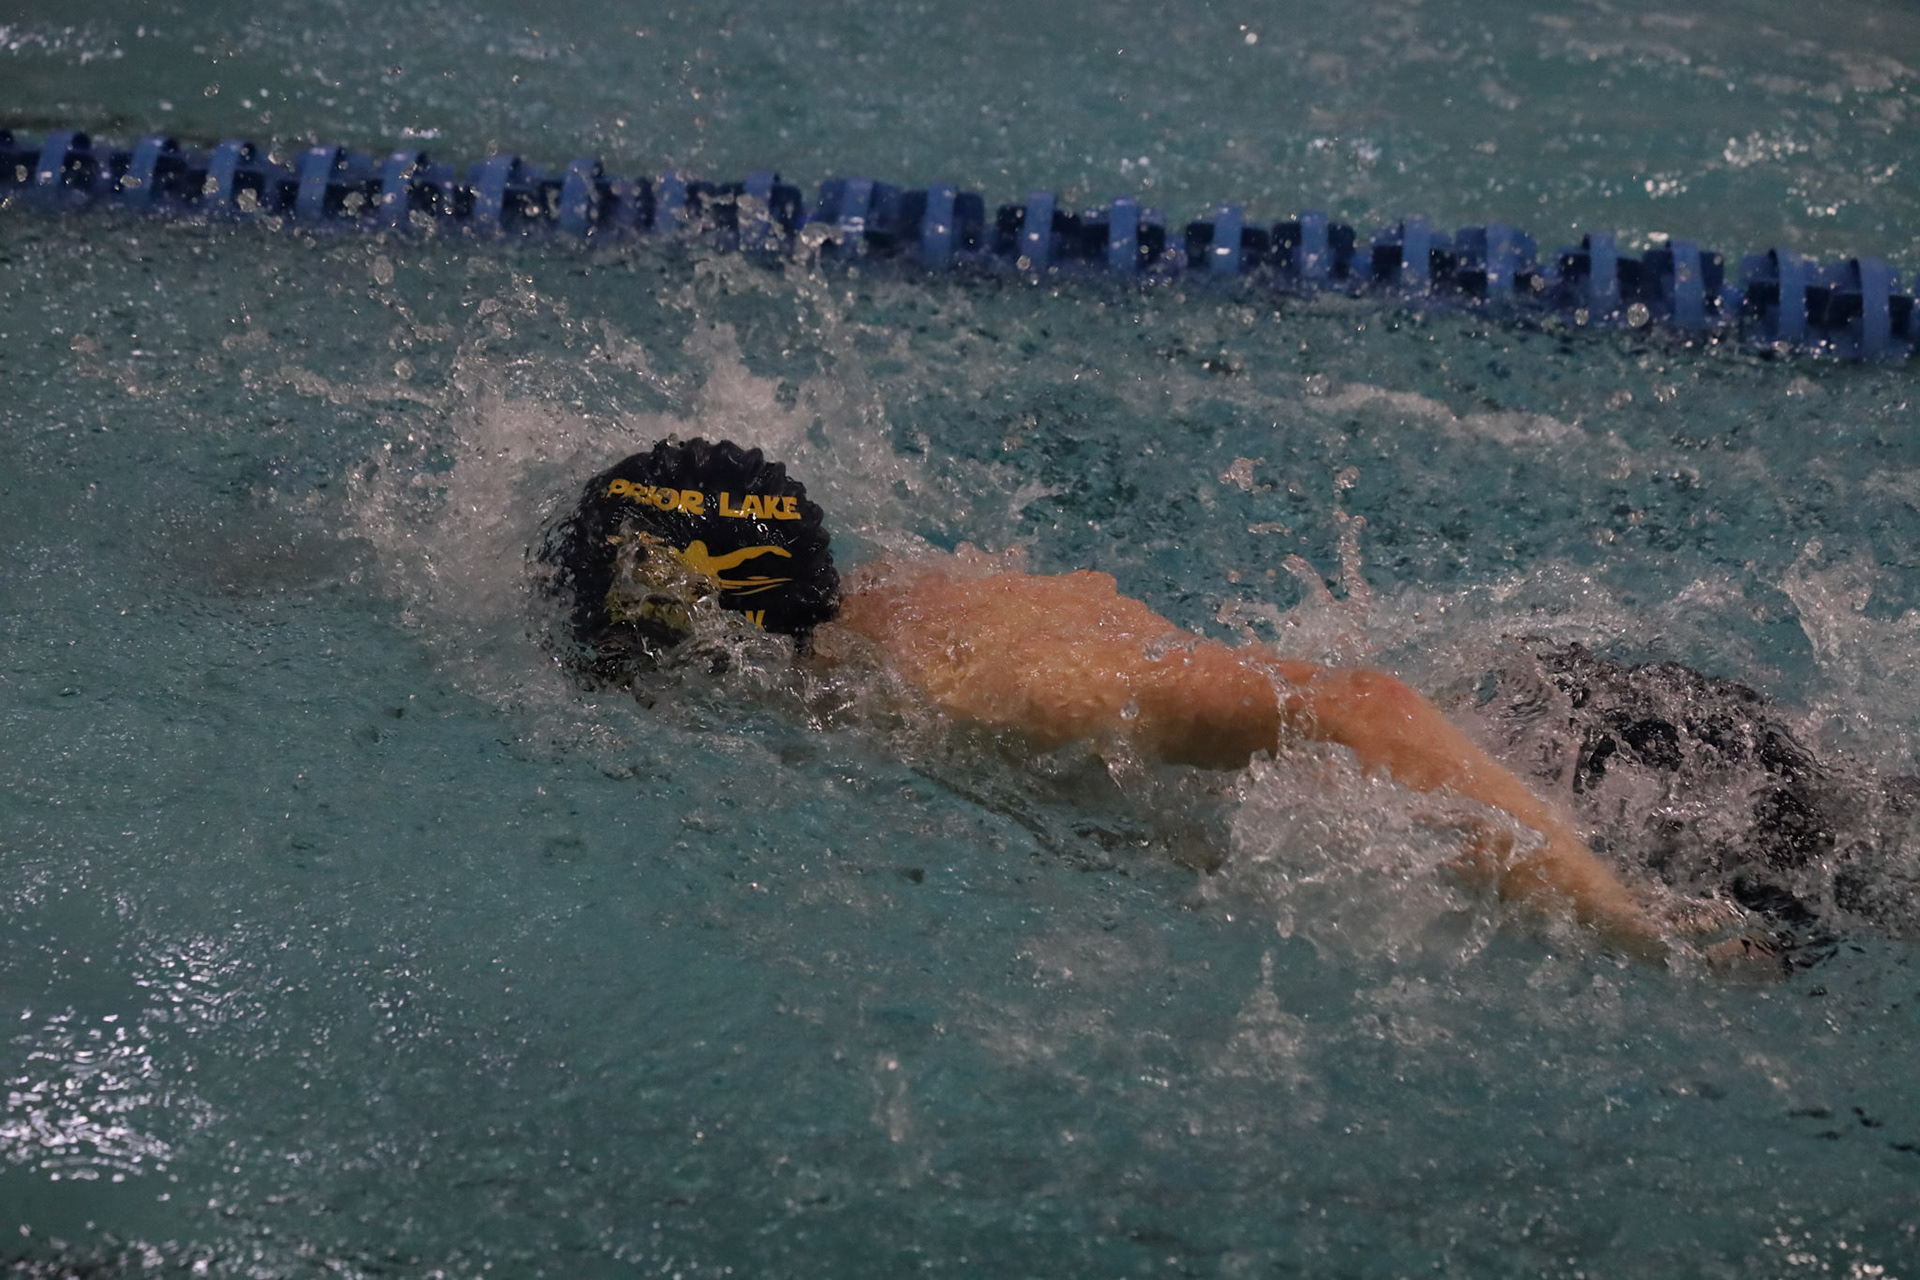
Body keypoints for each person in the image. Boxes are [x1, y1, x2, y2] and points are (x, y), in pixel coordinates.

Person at [540, 437, 1751, 964]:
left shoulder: (980, 681)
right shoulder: (871, 607)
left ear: (712, 628)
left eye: (633, 655)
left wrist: (1627, 920)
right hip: (1538, 737)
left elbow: (1366, 709)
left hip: (1608, 794)